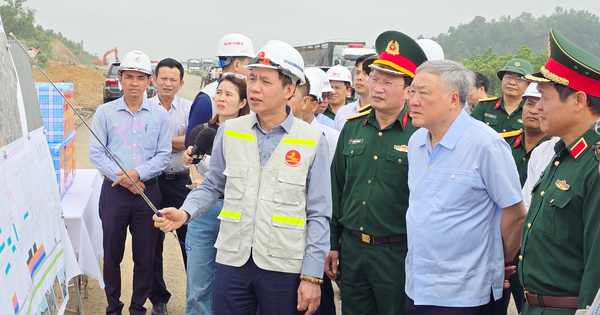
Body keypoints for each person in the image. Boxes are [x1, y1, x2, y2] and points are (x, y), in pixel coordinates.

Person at [154, 40, 331, 315]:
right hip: (232, 260)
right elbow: (213, 184)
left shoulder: (312, 140)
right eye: (252, 78)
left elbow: (319, 213)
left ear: (289, 89)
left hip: (283, 264)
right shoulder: (231, 131)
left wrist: (311, 275)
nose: (255, 87)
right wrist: (184, 212)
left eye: (265, 81)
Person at [404, 59, 526, 315]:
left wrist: (499, 261)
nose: (413, 100)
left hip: (466, 294)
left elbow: (515, 215)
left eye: (423, 93)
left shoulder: (486, 145)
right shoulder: (416, 142)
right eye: (412, 91)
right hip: (418, 286)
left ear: (453, 99)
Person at [327, 30, 427, 315]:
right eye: (374, 79)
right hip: (353, 249)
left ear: (409, 89)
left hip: (397, 252)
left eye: (388, 82)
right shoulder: (353, 126)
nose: (378, 88)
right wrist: (333, 244)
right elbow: (337, 187)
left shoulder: (421, 134)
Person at [518, 28, 600, 315]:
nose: (536, 107)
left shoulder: (594, 165)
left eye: (544, 97)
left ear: (578, 101)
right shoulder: (561, 156)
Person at [89, 50, 171, 315]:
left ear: (149, 81)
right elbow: (96, 153)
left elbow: (164, 155)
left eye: (140, 77)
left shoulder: (159, 115)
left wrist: (137, 174)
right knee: (111, 253)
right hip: (114, 193)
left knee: (145, 255)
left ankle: (138, 308)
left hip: (148, 193)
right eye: (129, 77)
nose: (134, 82)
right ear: (120, 79)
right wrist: (123, 179)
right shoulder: (105, 113)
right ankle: (113, 306)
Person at [181, 74, 250, 315]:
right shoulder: (202, 132)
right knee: (198, 288)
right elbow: (196, 177)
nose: (221, 98)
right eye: (219, 92)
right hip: (204, 212)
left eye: (228, 94)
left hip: (237, 214)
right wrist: (193, 164)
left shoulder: (251, 136)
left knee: (231, 288)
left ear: (243, 102)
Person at [495, 82, 551, 315]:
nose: (534, 109)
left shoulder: (553, 151)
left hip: (531, 249)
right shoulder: (502, 144)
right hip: (501, 244)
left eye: (540, 103)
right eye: (528, 103)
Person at [147, 58, 192, 315]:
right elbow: (143, 143)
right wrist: (178, 142)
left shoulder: (188, 108)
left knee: (190, 241)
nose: (168, 83)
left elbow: (193, 141)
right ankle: (158, 299)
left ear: (181, 83)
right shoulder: (145, 108)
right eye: (163, 77)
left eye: (173, 79)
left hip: (181, 182)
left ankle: (196, 294)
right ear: (154, 80)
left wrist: (160, 141)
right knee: (152, 243)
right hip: (153, 182)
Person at [185, 33, 254, 145]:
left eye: (228, 94)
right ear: (237, 65)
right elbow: (191, 143)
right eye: (249, 64)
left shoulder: (251, 93)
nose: (252, 69)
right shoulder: (205, 99)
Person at [471, 59, 533, 134]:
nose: (512, 82)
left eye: (519, 79)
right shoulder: (484, 106)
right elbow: (471, 133)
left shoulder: (533, 111)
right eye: (508, 77)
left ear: (529, 85)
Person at [333, 54, 377, 131]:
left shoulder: (383, 113)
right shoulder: (343, 113)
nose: (359, 78)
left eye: (365, 73)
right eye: (357, 73)